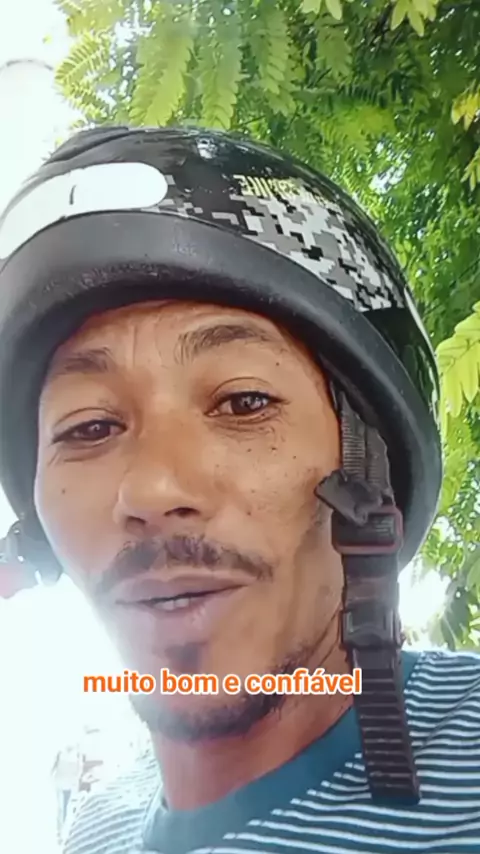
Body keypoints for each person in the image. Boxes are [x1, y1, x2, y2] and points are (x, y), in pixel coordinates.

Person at [0, 125, 478, 854]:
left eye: (243, 402)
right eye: (89, 426)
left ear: (369, 466)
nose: (152, 488)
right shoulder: (95, 829)